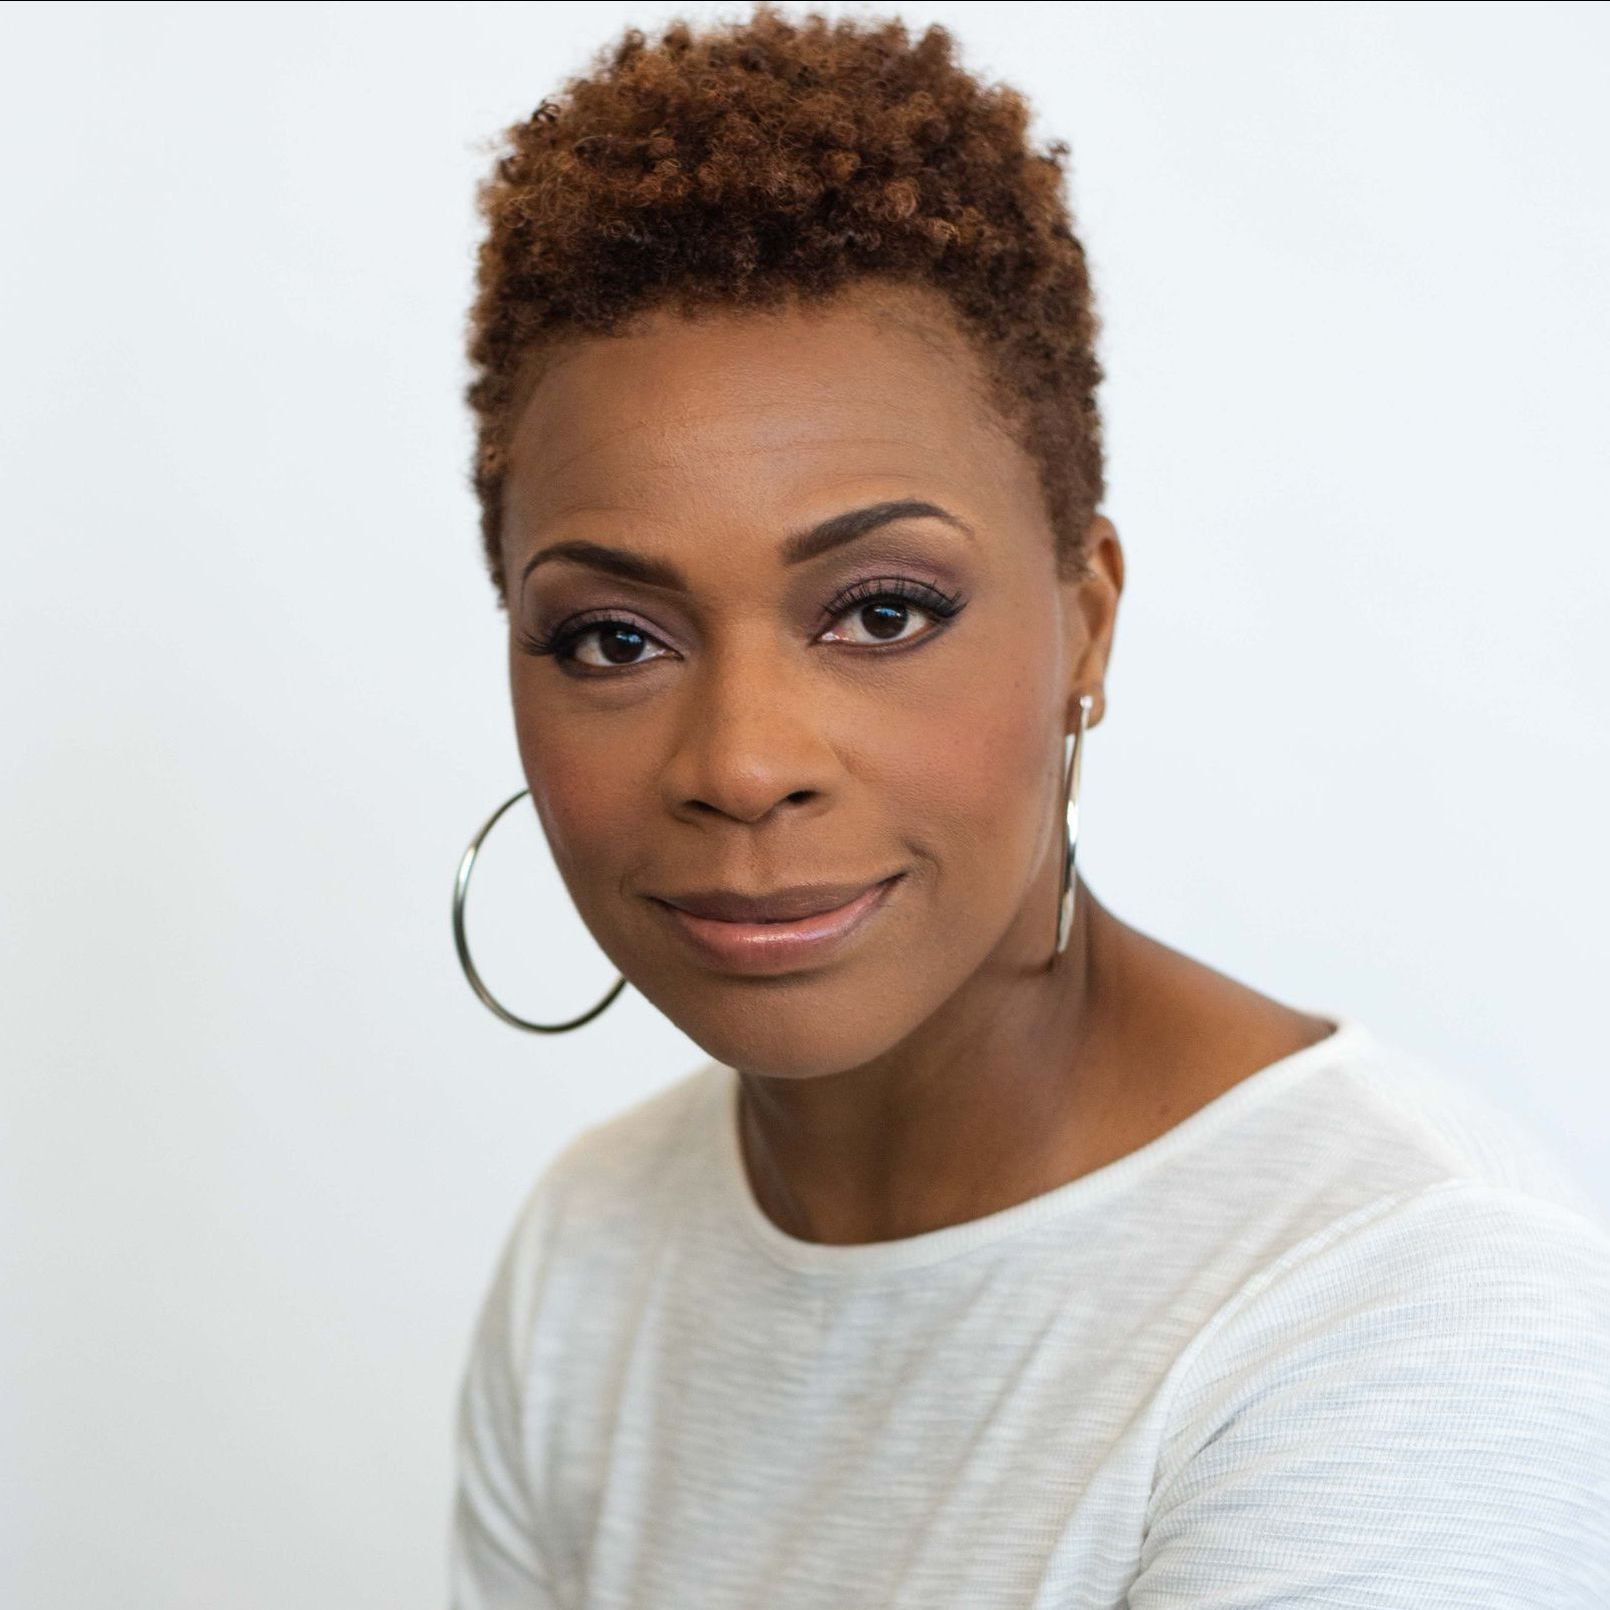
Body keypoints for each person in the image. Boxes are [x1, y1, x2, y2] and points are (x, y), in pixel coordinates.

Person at [447, 7, 1610, 1605]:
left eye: (881, 611)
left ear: (1087, 621)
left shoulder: (1399, 1307)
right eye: (612, 637)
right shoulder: (592, 1252)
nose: (740, 762)